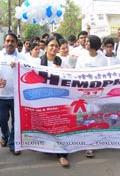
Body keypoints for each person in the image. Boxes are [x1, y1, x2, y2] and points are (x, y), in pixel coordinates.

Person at [75, 35, 108, 158]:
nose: (85, 42)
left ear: (94, 43)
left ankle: (93, 142)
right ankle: (86, 143)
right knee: (85, 117)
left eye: (88, 41)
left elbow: (106, 75)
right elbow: (77, 73)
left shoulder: (103, 59)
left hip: (97, 93)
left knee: (95, 116)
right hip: (84, 92)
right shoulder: (82, 57)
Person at [0, 33, 27, 155]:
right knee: (1, 120)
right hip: (1, 95)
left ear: (16, 43)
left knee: (15, 122)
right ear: (4, 43)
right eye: (7, 40)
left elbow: (28, 73)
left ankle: (13, 144)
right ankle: (4, 135)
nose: (10, 43)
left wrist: (19, 67)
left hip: (17, 96)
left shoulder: (22, 58)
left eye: (12, 41)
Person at [40, 35, 69, 167]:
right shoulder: (38, 61)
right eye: (51, 45)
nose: (54, 48)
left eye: (56, 46)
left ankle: (62, 155)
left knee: (59, 126)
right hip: (43, 98)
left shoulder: (62, 62)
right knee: (46, 125)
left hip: (58, 98)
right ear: (46, 47)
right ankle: (47, 147)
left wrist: (63, 72)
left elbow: (71, 78)